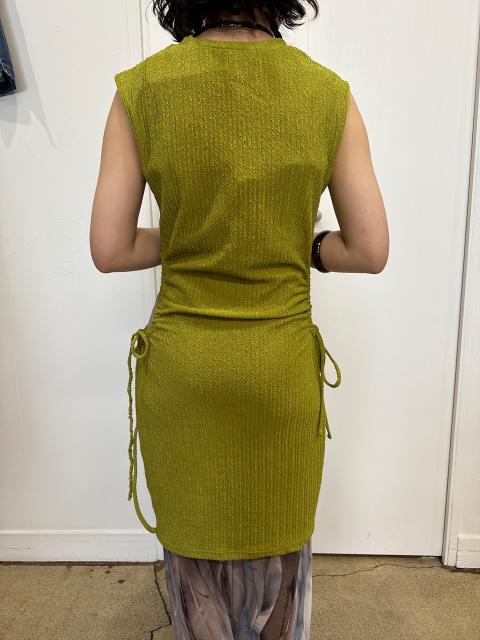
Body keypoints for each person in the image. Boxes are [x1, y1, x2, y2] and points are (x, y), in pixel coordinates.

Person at [90, 0, 388, 637]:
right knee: (280, 589)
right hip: (278, 372)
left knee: (196, 588)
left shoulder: (142, 90)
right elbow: (369, 250)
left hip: (184, 374)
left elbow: (111, 249)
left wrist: (195, 239)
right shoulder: (326, 94)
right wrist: (301, 245)